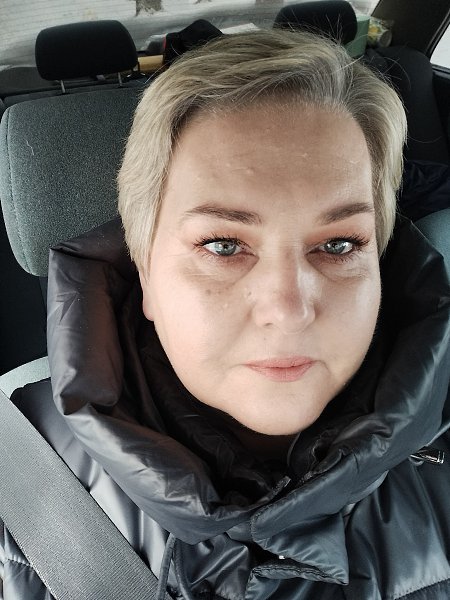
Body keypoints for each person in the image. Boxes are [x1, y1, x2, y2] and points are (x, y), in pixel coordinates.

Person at [1, 29, 450, 600]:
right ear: (145, 275)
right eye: (223, 245)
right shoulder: (16, 477)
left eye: (338, 245)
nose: (288, 310)